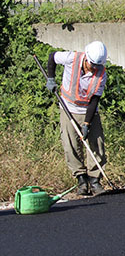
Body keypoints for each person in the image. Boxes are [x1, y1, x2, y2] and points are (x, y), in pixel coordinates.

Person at [45, 41, 108, 196]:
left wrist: (87, 123)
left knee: (97, 143)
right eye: (92, 64)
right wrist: (51, 79)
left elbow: (94, 100)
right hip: (68, 108)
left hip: (88, 109)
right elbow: (52, 57)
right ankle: (81, 179)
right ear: (86, 58)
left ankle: (95, 180)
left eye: (97, 66)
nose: (94, 68)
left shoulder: (102, 73)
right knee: (71, 144)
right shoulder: (71, 58)